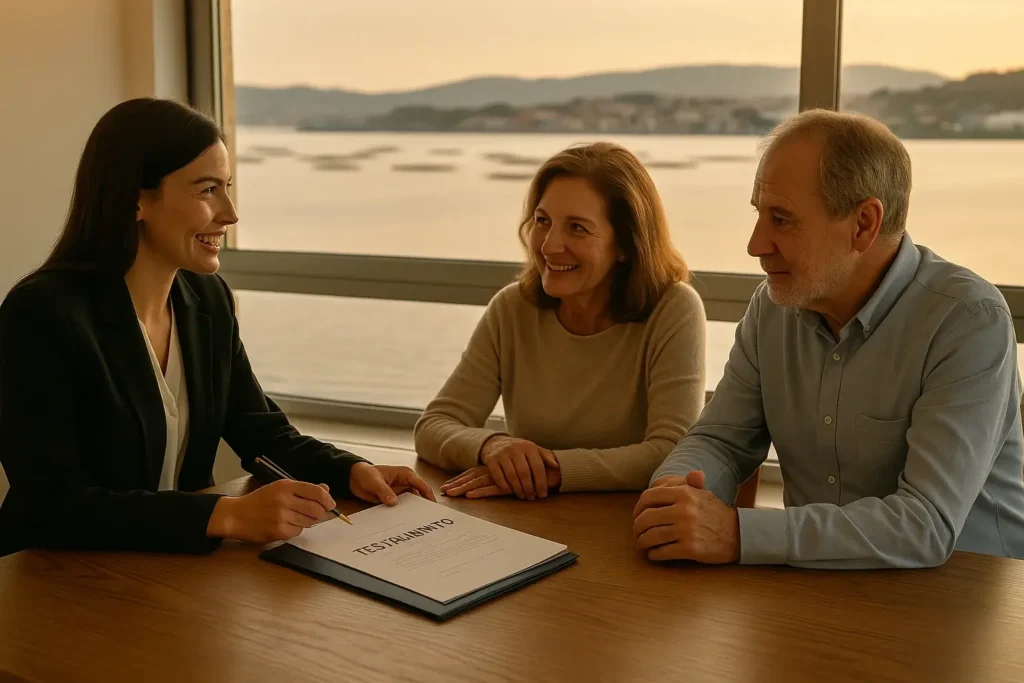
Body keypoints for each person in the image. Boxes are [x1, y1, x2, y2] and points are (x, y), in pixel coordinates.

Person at [0, 98, 434, 556]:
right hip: (53, 583)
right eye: (207, 190)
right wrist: (225, 515)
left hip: (168, 575)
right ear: (136, 199)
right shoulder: (41, 314)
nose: (230, 212)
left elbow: (260, 432)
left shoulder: (207, 301)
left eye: (227, 187)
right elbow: (48, 503)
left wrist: (352, 471)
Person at [633, 109, 1024, 568]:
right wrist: (675, 492)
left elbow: (924, 524)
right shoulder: (772, 307)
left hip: (970, 603)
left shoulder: (967, 321)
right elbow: (720, 442)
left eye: (781, 219)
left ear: (863, 224)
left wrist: (737, 532)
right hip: (818, 592)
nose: (755, 244)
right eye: (760, 213)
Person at [415, 142, 707, 500]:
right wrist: (491, 446)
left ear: (626, 245)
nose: (550, 246)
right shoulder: (511, 309)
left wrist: (552, 469)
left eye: (578, 228)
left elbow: (671, 451)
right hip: (529, 518)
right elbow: (433, 426)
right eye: (543, 221)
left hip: (629, 528)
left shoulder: (674, 308)